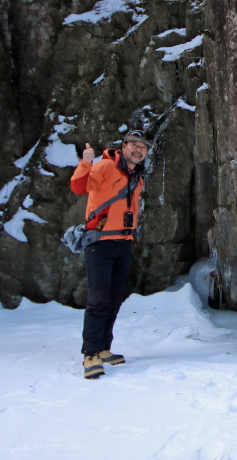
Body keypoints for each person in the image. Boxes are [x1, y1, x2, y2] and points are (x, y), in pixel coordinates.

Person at [70, 129, 150, 379]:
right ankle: (91, 354)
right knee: (99, 298)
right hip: (100, 244)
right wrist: (86, 163)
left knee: (115, 297)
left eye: (144, 147)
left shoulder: (137, 177)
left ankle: (103, 347)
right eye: (134, 145)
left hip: (123, 243)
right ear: (124, 146)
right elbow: (79, 187)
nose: (139, 150)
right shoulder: (104, 166)